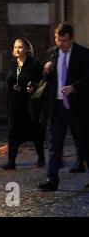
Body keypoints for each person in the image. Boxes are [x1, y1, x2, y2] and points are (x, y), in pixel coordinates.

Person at [38, 23, 89, 191]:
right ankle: (52, 180)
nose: (60, 44)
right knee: (55, 143)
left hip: (77, 107)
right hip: (58, 106)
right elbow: (47, 81)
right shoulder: (52, 53)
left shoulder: (83, 54)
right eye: (57, 40)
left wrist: (74, 87)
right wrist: (46, 71)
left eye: (64, 40)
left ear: (72, 38)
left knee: (83, 143)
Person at [3, 38, 45, 170]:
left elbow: (42, 81)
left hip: (29, 104)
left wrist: (33, 86)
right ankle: (11, 161)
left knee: (35, 132)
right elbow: (9, 80)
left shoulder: (35, 64)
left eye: (20, 47)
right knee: (12, 132)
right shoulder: (11, 63)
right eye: (15, 47)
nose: (17, 49)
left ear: (27, 49)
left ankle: (41, 157)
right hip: (14, 104)